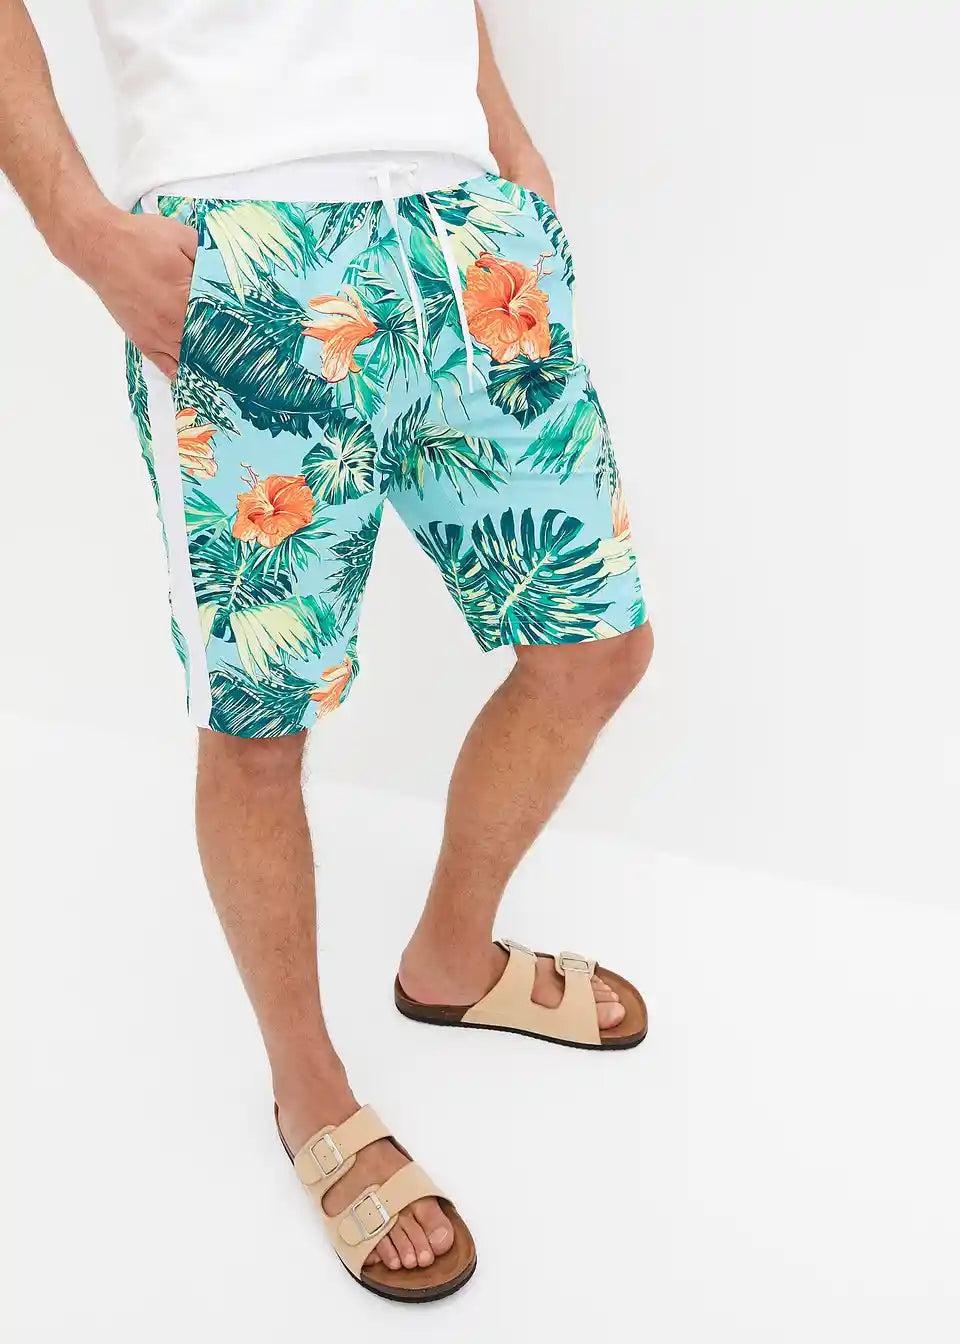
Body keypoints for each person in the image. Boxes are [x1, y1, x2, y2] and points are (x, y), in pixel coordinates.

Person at [1, 0, 653, 1301]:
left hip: (467, 239)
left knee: (595, 650)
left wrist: (509, 146)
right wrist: (79, 228)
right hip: (243, 249)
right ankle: (310, 1093)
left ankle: (452, 960)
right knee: (259, 728)